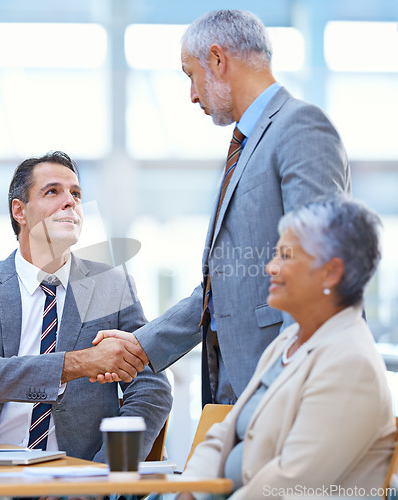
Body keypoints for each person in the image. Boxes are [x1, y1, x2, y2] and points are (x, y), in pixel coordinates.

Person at [93, 9, 351, 406]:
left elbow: (315, 266)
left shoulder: (300, 127)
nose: (192, 94)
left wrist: (291, 384)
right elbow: (223, 287)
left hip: (284, 388)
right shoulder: (246, 146)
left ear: (217, 59)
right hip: (239, 386)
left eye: (190, 74)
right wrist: (143, 344)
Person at [0, 151, 172, 462]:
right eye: (53, 191)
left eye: (76, 194)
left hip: (77, 477)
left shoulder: (106, 284)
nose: (70, 202)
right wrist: (79, 363)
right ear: (19, 211)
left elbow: (150, 386)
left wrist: (104, 473)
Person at [181, 195, 394, 498]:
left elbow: (287, 484)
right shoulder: (288, 341)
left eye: (286, 255)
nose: (270, 267)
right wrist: (187, 493)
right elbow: (222, 437)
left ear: (331, 272)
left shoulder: (350, 363)